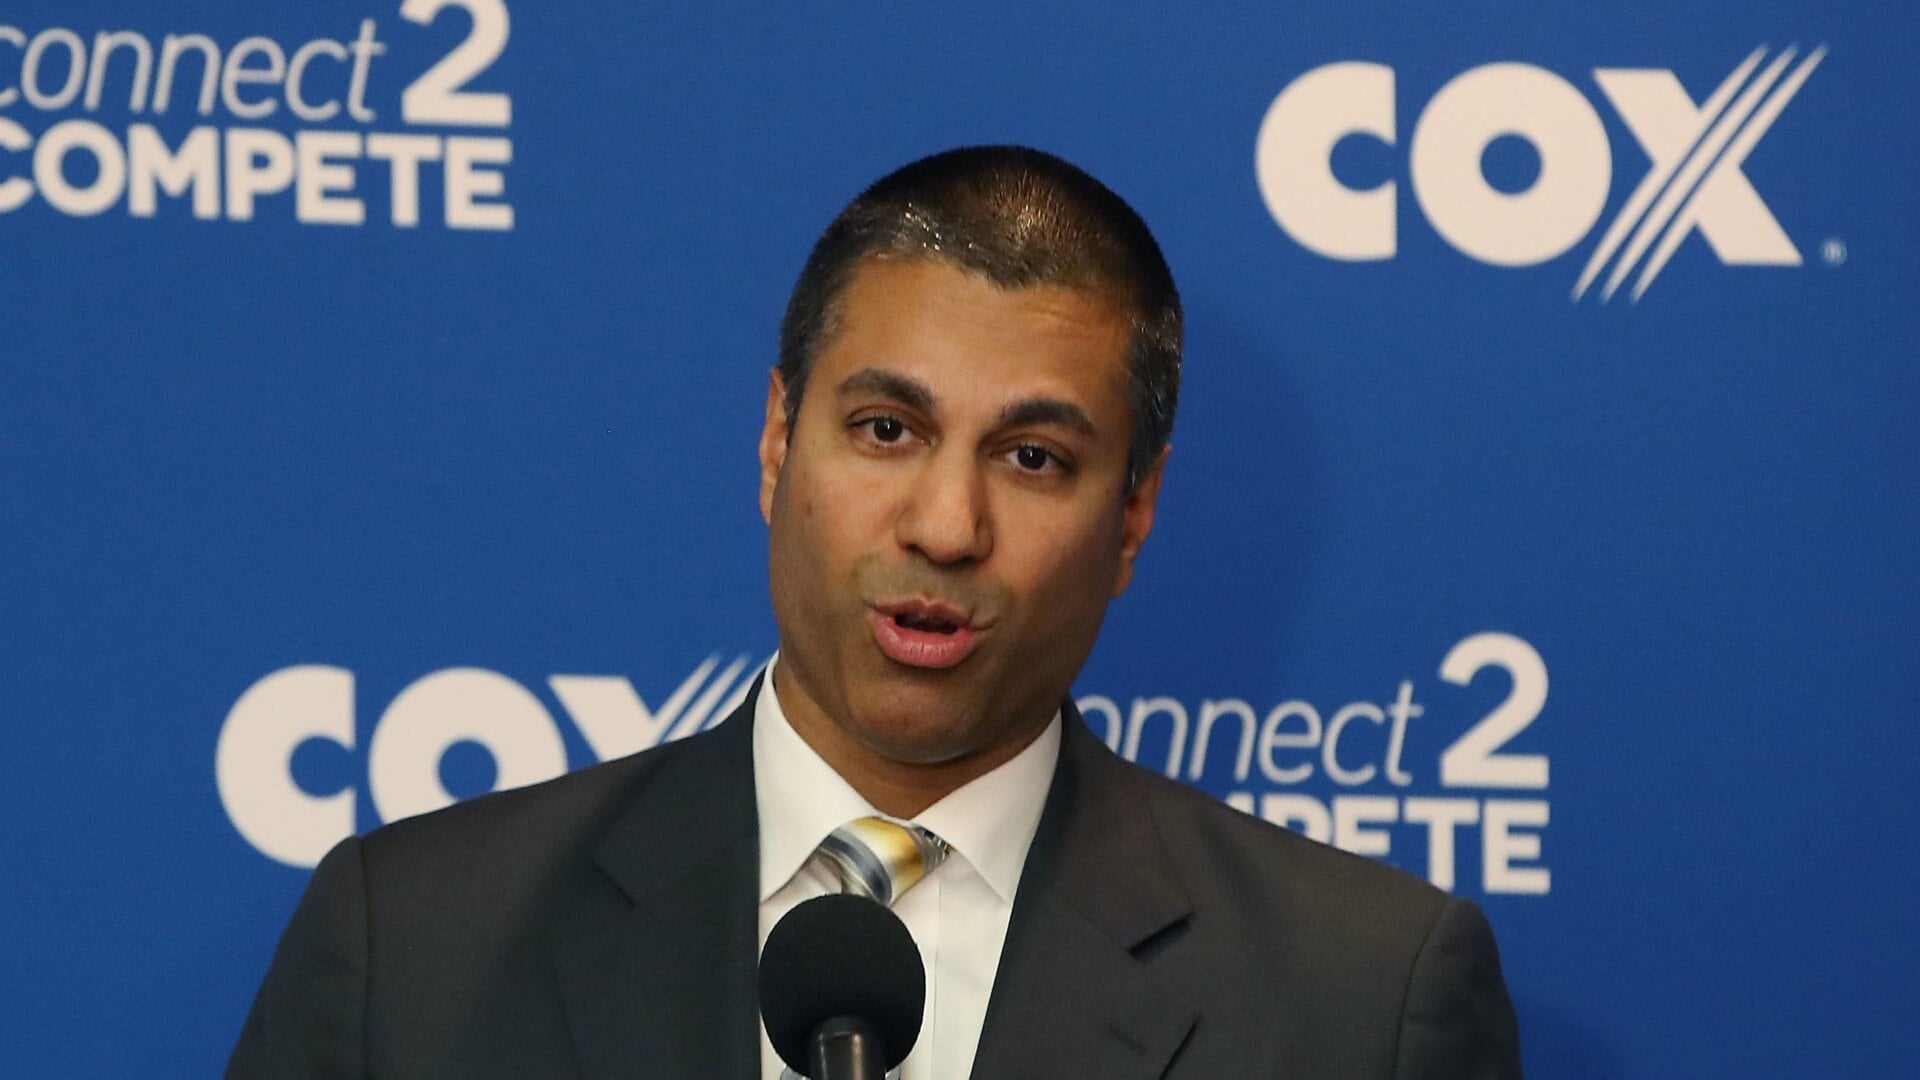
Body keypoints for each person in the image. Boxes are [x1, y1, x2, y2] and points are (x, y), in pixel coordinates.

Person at [228, 146, 1522, 1079]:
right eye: (887, 429)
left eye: (1033, 458)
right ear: (776, 441)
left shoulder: (1364, 1003)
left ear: (1133, 515)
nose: (946, 526)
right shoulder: (413, 947)